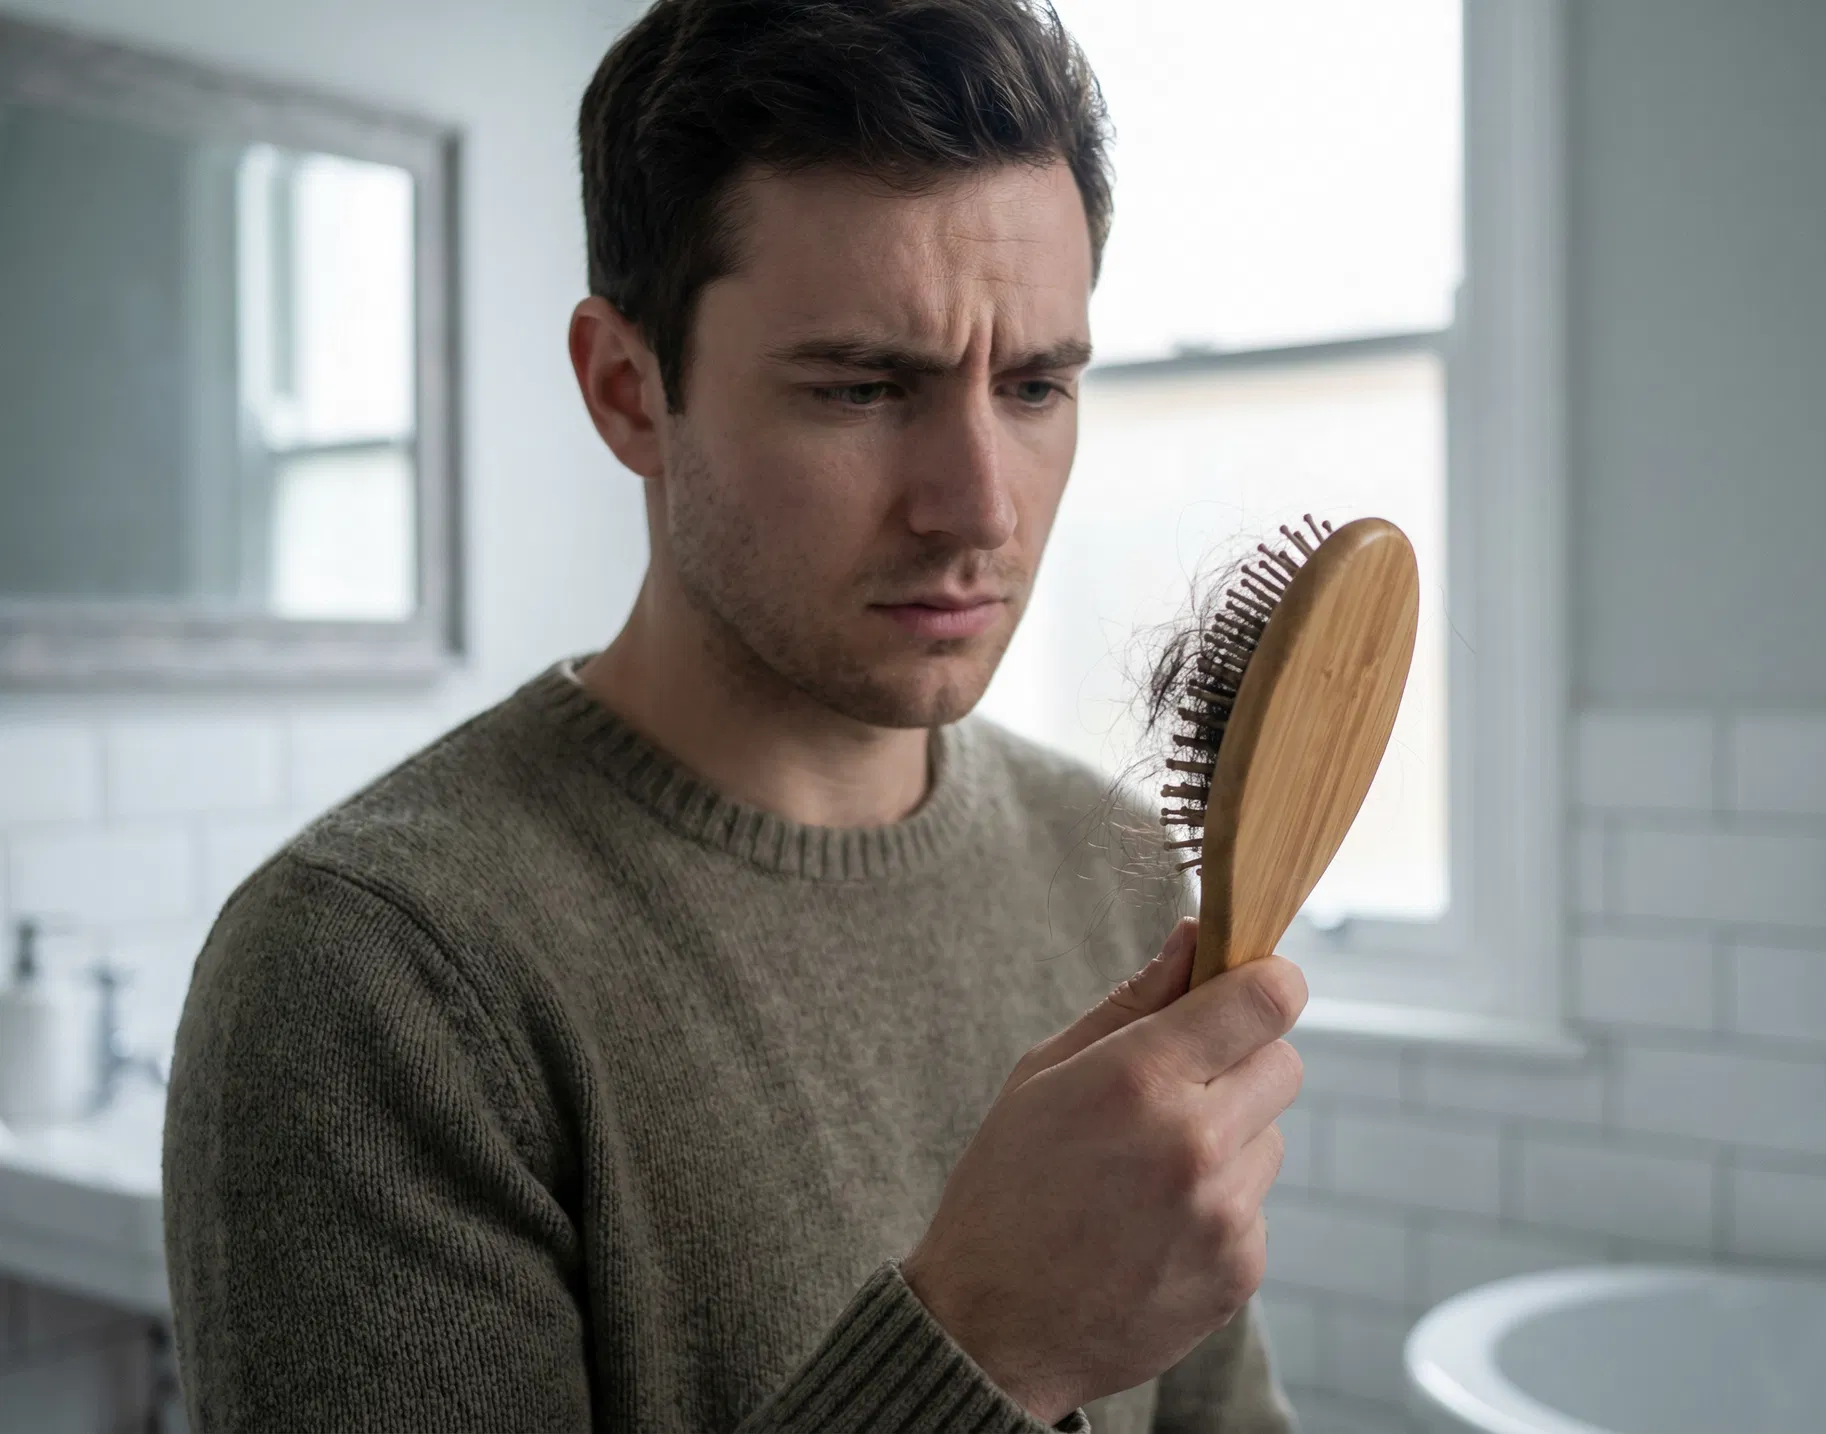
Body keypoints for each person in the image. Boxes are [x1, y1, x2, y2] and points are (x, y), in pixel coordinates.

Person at [162, 1, 1309, 1429]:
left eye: (1034, 385)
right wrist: (988, 1350)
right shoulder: (377, 973)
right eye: (864, 386)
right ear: (628, 391)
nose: (980, 505)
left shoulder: (1115, 863)